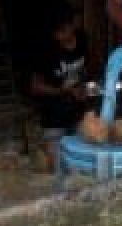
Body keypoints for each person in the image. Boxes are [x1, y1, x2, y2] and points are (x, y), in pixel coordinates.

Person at [30, 10, 91, 167]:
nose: (59, 36)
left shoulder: (83, 40)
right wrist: (62, 91)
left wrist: (86, 89)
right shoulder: (46, 50)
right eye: (57, 33)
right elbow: (35, 87)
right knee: (55, 166)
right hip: (53, 117)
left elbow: (91, 69)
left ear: (73, 26)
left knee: (81, 164)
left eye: (63, 31)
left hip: (79, 113)